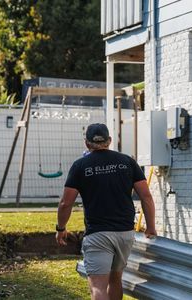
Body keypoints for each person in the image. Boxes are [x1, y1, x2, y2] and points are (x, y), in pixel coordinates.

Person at [56, 123, 156, 300]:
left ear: (86, 143)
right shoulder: (128, 162)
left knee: (98, 286)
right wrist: (151, 227)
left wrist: (61, 228)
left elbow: (65, 203)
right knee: (115, 279)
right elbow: (146, 197)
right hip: (125, 233)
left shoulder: (80, 166)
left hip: (98, 234)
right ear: (109, 141)